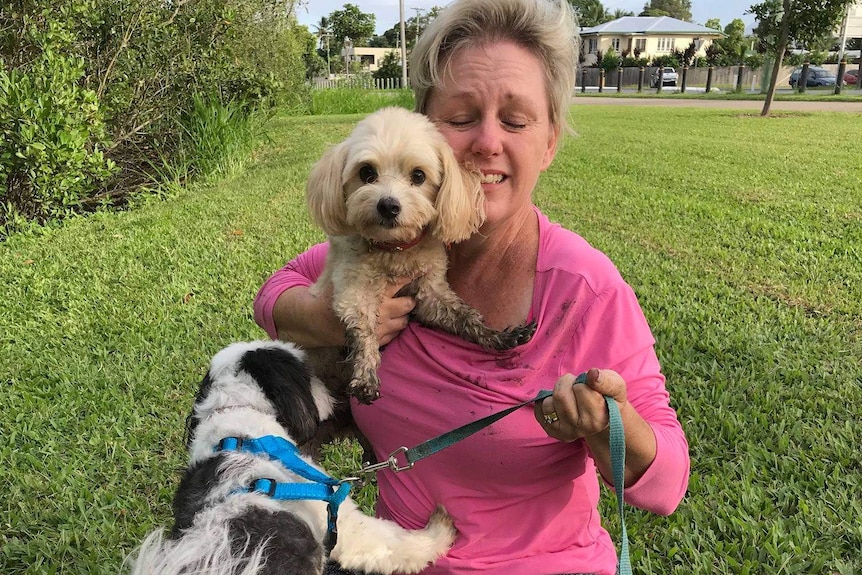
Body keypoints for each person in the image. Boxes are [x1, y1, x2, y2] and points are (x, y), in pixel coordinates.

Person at [253, 0, 690, 573]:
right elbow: (274, 293)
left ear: (550, 141)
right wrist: (325, 319)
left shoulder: (584, 289)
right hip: (395, 554)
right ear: (422, 131)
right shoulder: (387, 241)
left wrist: (610, 427)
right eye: (461, 117)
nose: (487, 142)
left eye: (515, 120)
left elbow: (665, 485)